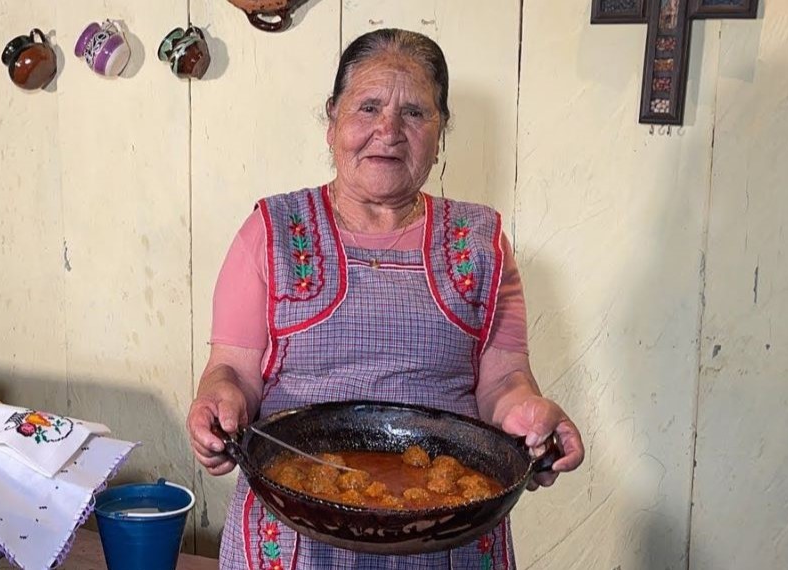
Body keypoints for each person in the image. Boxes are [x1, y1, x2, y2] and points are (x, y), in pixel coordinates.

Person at [187, 28, 584, 569]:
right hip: (295, 535)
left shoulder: (481, 240)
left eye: (415, 113)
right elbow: (231, 368)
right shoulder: (272, 230)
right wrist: (218, 400)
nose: (388, 131)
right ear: (332, 121)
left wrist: (533, 417)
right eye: (368, 106)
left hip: (450, 534)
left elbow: (505, 381)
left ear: (441, 131)